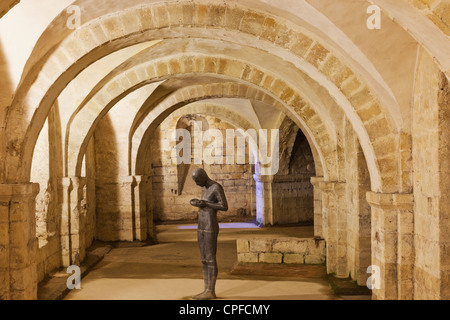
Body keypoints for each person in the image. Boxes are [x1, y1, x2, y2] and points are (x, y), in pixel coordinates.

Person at [190, 168, 228, 300]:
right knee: (204, 258)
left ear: (203, 177)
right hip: (201, 224)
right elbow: (206, 204)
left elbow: (224, 206)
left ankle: (210, 290)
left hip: (210, 225)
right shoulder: (204, 188)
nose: (196, 184)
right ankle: (206, 289)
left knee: (210, 258)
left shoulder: (216, 187)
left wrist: (205, 203)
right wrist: (198, 203)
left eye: (197, 181)